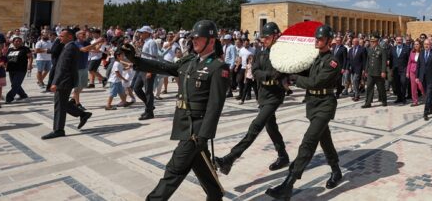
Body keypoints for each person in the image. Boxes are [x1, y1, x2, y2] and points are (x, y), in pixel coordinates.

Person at [123, 20, 229, 200]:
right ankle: (216, 195)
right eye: (193, 38)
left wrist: (204, 135)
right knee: (201, 166)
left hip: (196, 130)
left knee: (174, 170)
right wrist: (137, 60)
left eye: (198, 38)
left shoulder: (218, 68)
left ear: (211, 41)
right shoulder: (189, 62)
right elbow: (165, 67)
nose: (193, 41)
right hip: (183, 124)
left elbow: (215, 105)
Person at [265, 25, 343, 199]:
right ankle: (336, 170)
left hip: (325, 105)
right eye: (316, 38)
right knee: (325, 139)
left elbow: (315, 82)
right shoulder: (315, 58)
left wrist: (294, 78)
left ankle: (288, 184)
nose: (317, 41)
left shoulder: (333, 62)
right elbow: (301, 68)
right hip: (313, 104)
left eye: (321, 39)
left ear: (329, 42)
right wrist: (285, 70)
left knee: (308, 141)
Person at [214, 22, 291, 175]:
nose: (264, 40)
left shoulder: (282, 54)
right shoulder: (260, 52)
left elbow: (276, 74)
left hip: (275, 95)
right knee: (271, 127)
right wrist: (264, 76)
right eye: (263, 37)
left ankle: (230, 158)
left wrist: (264, 76)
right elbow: (254, 70)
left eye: (267, 37)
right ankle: (283, 156)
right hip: (262, 95)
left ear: (276, 36)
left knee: (256, 125)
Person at [41, 29, 92, 139]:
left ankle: (58, 130)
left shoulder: (70, 48)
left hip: (64, 81)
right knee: (62, 103)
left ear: (69, 36)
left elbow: (63, 68)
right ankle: (82, 114)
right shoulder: (69, 46)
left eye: (62, 36)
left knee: (59, 105)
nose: (59, 37)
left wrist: (55, 82)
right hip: (66, 80)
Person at [134, 26, 159, 120]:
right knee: (136, 88)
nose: (140, 34)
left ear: (148, 33)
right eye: (140, 32)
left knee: (148, 91)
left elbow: (153, 58)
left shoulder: (152, 42)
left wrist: (150, 71)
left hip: (148, 69)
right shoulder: (146, 42)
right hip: (143, 69)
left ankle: (149, 112)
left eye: (142, 32)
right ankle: (149, 105)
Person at [362, 33, 387, 108]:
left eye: (374, 41)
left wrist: (383, 71)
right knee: (369, 88)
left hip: (378, 73)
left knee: (381, 88)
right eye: (371, 41)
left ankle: (384, 100)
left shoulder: (382, 50)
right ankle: (368, 103)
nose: (372, 43)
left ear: (377, 41)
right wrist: (366, 71)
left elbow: (383, 61)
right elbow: (368, 61)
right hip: (370, 72)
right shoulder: (370, 49)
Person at [4, 36, 32, 103]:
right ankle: (23, 95)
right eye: (16, 41)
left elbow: (30, 57)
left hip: (21, 69)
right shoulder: (10, 49)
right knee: (14, 84)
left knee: (15, 84)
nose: (18, 42)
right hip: (11, 69)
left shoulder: (25, 49)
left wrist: (29, 65)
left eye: (19, 41)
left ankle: (9, 97)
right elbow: (6, 58)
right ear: (13, 42)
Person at [390, 36, 409, 104]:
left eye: (400, 40)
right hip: (395, 70)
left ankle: (403, 98)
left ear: (402, 40)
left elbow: (408, 60)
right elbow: (391, 60)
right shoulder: (392, 49)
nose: (399, 41)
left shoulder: (406, 49)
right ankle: (399, 98)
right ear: (395, 41)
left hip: (404, 69)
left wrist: (408, 69)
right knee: (397, 84)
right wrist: (391, 69)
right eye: (397, 40)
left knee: (403, 83)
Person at [407, 40, 423, 107]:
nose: (416, 45)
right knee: (413, 87)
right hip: (412, 71)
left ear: (420, 45)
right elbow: (409, 63)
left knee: (421, 86)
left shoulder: (423, 52)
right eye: (415, 44)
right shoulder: (412, 52)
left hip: (420, 71)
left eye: (417, 44)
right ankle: (415, 101)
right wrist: (407, 72)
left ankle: (427, 97)